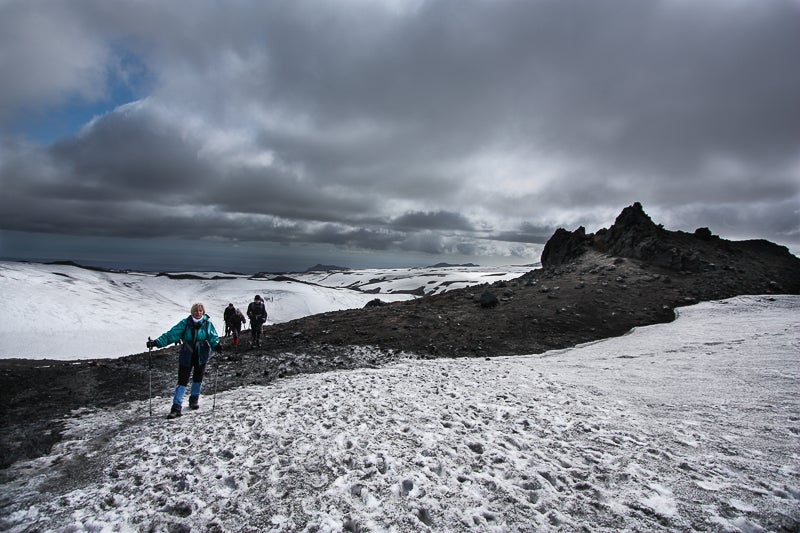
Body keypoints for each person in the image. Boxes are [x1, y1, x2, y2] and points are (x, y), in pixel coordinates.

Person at [147, 303, 221, 419]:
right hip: (187, 353)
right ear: (192, 312)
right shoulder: (185, 323)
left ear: (203, 312)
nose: (198, 313)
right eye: (196, 311)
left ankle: (194, 400)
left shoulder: (207, 324)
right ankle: (176, 407)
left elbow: (213, 337)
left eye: (200, 311)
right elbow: (172, 335)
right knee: (182, 380)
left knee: (198, 377)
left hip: (201, 354)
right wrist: (156, 342)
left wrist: (216, 346)